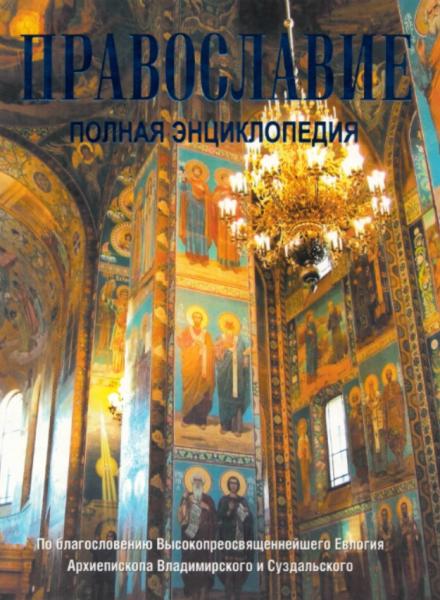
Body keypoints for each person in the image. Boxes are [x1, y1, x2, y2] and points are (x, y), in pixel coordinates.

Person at [178, 472, 217, 600]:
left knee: (204, 570)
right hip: (190, 540)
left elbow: (215, 519)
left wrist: (207, 508)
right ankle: (193, 594)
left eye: (199, 481)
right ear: (192, 483)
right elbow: (182, 519)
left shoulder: (208, 499)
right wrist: (184, 500)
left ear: (203, 483)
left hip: (205, 540)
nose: (197, 483)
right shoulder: (187, 497)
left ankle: (204, 593)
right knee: (191, 568)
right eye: (195, 481)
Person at [217, 475, 254, 600]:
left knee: (238, 571)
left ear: (238, 486)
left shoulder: (243, 501)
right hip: (228, 540)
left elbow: (249, 520)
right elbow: (219, 518)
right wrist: (229, 510)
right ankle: (228, 595)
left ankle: (237, 595)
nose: (233, 485)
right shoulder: (224, 500)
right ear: (228, 485)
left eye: (235, 483)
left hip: (240, 540)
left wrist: (246, 514)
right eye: (231, 483)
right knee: (228, 571)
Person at [177, 307, 215, 427]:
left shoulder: (206, 334)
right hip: (191, 366)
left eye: (199, 317)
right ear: (192, 319)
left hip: (203, 368)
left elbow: (211, 349)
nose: (197, 319)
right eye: (195, 317)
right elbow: (181, 343)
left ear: (202, 319)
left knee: (203, 394)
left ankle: (201, 420)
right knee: (189, 392)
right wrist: (193, 344)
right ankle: (187, 419)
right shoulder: (187, 331)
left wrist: (204, 347)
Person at [215, 313, 250, 436]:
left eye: (231, 328)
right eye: (227, 327)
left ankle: (236, 428)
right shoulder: (220, 339)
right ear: (224, 327)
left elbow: (244, 357)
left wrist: (244, 358)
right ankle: (225, 426)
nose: (229, 330)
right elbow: (217, 356)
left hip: (238, 376)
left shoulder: (240, 341)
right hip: (224, 376)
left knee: (237, 399)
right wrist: (222, 353)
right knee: (225, 399)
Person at [179, 160, 215, 265]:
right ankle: (192, 256)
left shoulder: (204, 184)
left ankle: (202, 257)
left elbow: (209, 197)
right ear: (192, 171)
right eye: (195, 170)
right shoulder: (188, 182)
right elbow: (183, 192)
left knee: (201, 233)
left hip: (201, 211)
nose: (197, 172)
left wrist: (205, 197)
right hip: (191, 209)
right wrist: (183, 182)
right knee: (191, 231)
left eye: (199, 171)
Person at [212, 168, 241, 269]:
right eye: (225, 179)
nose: (227, 181)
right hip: (222, 219)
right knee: (223, 240)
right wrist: (220, 196)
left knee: (233, 240)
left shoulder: (235, 191)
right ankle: (223, 263)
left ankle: (234, 264)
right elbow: (214, 201)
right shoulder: (218, 190)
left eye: (228, 179)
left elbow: (240, 204)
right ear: (221, 179)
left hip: (233, 219)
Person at [398, 499, 425, 599]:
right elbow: (399, 543)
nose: (404, 510)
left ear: (407, 509)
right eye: (402, 509)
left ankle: (420, 595)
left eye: (405, 508)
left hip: (415, 555)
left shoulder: (412, 521)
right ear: (401, 511)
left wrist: (416, 534)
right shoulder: (400, 525)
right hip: (406, 557)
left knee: (418, 575)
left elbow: (418, 537)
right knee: (409, 578)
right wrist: (403, 535)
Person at [382, 366, 406, 469]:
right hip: (390, 417)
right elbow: (384, 404)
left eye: (389, 374)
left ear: (392, 375)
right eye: (386, 375)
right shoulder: (385, 390)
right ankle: (398, 461)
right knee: (393, 439)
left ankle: (402, 461)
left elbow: (400, 397)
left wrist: (394, 399)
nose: (388, 376)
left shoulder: (396, 385)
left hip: (397, 414)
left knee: (399, 436)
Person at [377, 505, 403, 600]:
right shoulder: (379, 531)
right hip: (385, 562)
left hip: (394, 559)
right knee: (388, 581)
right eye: (382, 515)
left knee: (396, 579)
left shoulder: (392, 527)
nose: (384, 517)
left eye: (385, 515)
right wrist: (383, 550)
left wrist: (392, 547)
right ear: (381, 517)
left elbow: (397, 541)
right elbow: (378, 546)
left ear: (388, 516)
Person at [365, 375, 386, 474]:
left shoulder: (379, 399)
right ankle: (377, 470)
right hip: (372, 431)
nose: (371, 388)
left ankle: (384, 468)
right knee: (374, 449)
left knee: (382, 447)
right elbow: (366, 417)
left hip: (380, 428)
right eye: (369, 386)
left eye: (372, 386)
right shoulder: (367, 403)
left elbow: (383, 411)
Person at [91, 530, 117, 600]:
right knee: (101, 592)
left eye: (111, 536)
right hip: (102, 575)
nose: (109, 538)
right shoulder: (104, 546)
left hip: (111, 576)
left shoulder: (115, 548)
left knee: (109, 593)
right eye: (108, 536)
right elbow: (93, 550)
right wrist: (96, 541)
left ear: (114, 538)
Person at [296, 418, 312, 507]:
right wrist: (302, 454)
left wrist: (309, 455)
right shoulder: (300, 439)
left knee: (307, 478)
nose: (303, 430)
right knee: (304, 479)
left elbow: (308, 449)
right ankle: (305, 499)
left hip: (307, 460)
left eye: (304, 428)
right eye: (301, 428)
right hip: (302, 461)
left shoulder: (306, 437)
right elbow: (299, 452)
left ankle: (309, 497)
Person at [305, 311, 318, 382]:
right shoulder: (307, 326)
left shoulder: (313, 325)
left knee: (315, 357)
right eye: (311, 317)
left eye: (312, 316)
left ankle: (315, 373)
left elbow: (315, 334)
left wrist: (315, 341)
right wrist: (309, 333)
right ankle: (311, 375)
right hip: (310, 345)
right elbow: (306, 337)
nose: (312, 318)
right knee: (310, 359)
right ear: (308, 318)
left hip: (314, 344)